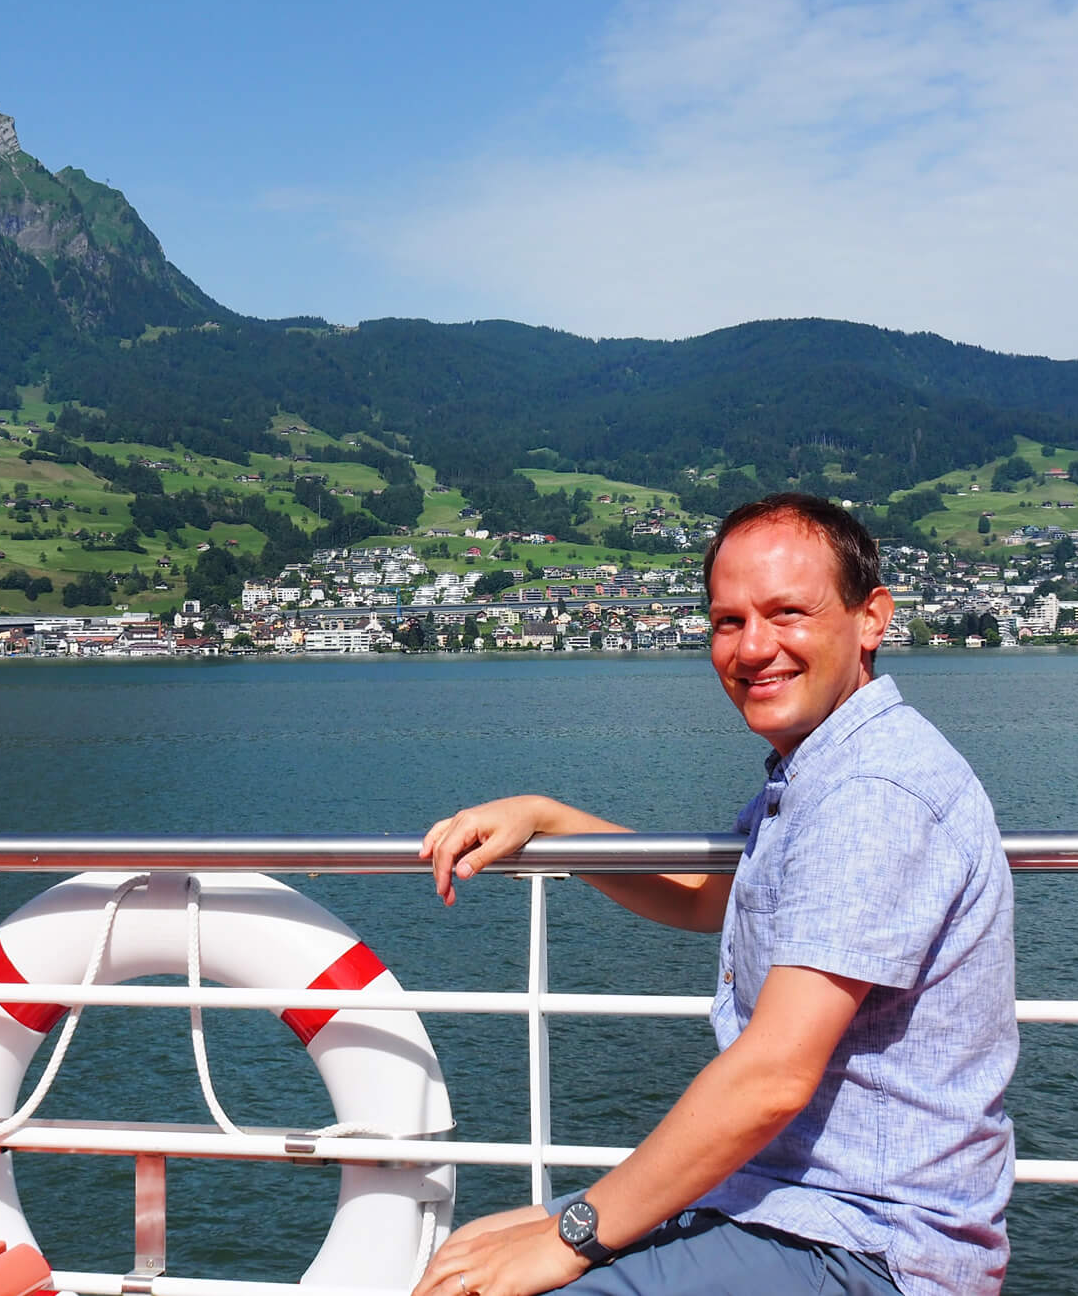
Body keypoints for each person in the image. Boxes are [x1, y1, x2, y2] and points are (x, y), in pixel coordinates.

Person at [414, 493, 1015, 1296]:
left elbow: (771, 1078)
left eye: (787, 613)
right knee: (471, 1254)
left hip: (871, 1245)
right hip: (788, 1202)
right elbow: (711, 895)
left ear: (871, 618)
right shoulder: (825, 765)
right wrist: (550, 819)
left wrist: (573, 1236)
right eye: (728, 621)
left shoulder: (873, 793)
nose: (753, 646)